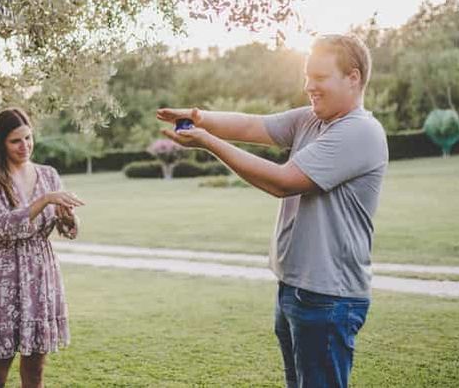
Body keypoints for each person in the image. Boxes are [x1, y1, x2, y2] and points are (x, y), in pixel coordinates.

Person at [158, 34, 388, 388]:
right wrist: (197, 117)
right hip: (295, 288)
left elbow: (283, 181)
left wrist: (207, 142)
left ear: (353, 77)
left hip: (329, 298)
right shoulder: (311, 119)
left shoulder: (360, 131)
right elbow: (252, 125)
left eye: (320, 77)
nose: (308, 85)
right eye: (307, 76)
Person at [0, 108, 84, 388]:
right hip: (6, 277)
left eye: (29, 138)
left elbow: (68, 231)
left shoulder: (49, 174)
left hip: (41, 275)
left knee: (35, 374)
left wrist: (68, 217)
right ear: (1, 143)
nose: (25, 146)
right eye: (16, 141)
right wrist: (43, 201)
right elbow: (0, 227)